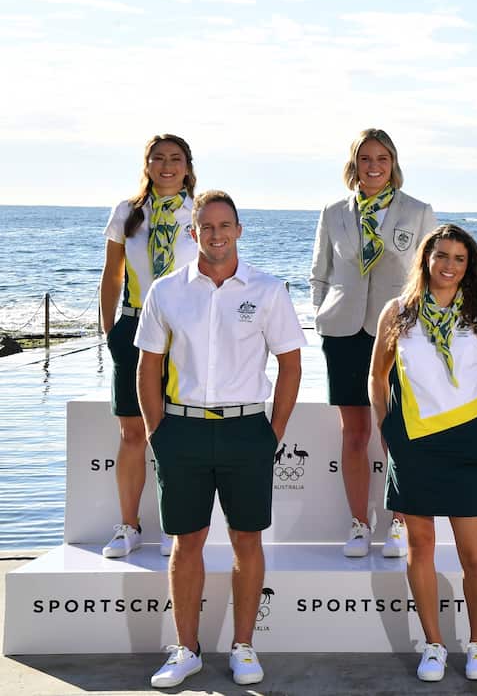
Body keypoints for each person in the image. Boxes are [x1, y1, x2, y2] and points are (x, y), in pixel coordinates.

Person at [136, 191, 305, 689]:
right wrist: (156, 432)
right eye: (206, 226)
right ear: (193, 233)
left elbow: (291, 363)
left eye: (224, 225)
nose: (216, 234)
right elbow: (147, 366)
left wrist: (273, 433)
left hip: (246, 431)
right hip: (181, 430)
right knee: (186, 543)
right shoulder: (166, 291)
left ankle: (243, 646)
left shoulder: (268, 290)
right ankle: (186, 650)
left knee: (246, 540)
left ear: (238, 230)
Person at [369, 225, 477, 682]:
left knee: (474, 555)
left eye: (459, 258)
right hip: (413, 445)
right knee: (421, 547)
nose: (449, 265)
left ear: (469, 266)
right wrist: (387, 428)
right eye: (442, 255)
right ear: (426, 258)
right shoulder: (398, 312)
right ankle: (433, 644)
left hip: (465, 446)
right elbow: (377, 376)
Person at [310, 128, 437, 558]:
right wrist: (322, 313)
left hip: (398, 334)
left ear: (393, 163)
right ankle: (359, 525)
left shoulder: (417, 211)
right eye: (365, 158)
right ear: (354, 165)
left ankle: (400, 522)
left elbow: (430, 277)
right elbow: (320, 274)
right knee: (355, 433)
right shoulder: (333, 213)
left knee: (395, 431)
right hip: (343, 333)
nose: (374, 166)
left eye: (382, 158)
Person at [99, 135, 198, 559]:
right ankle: (129, 526)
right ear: (147, 164)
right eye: (159, 158)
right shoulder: (127, 212)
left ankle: (176, 528)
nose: (167, 165)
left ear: (187, 166)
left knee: (177, 434)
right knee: (132, 433)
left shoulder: (200, 211)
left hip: (184, 333)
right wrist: (111, 332)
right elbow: (112, 276)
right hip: (134, 328)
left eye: (175, 158)